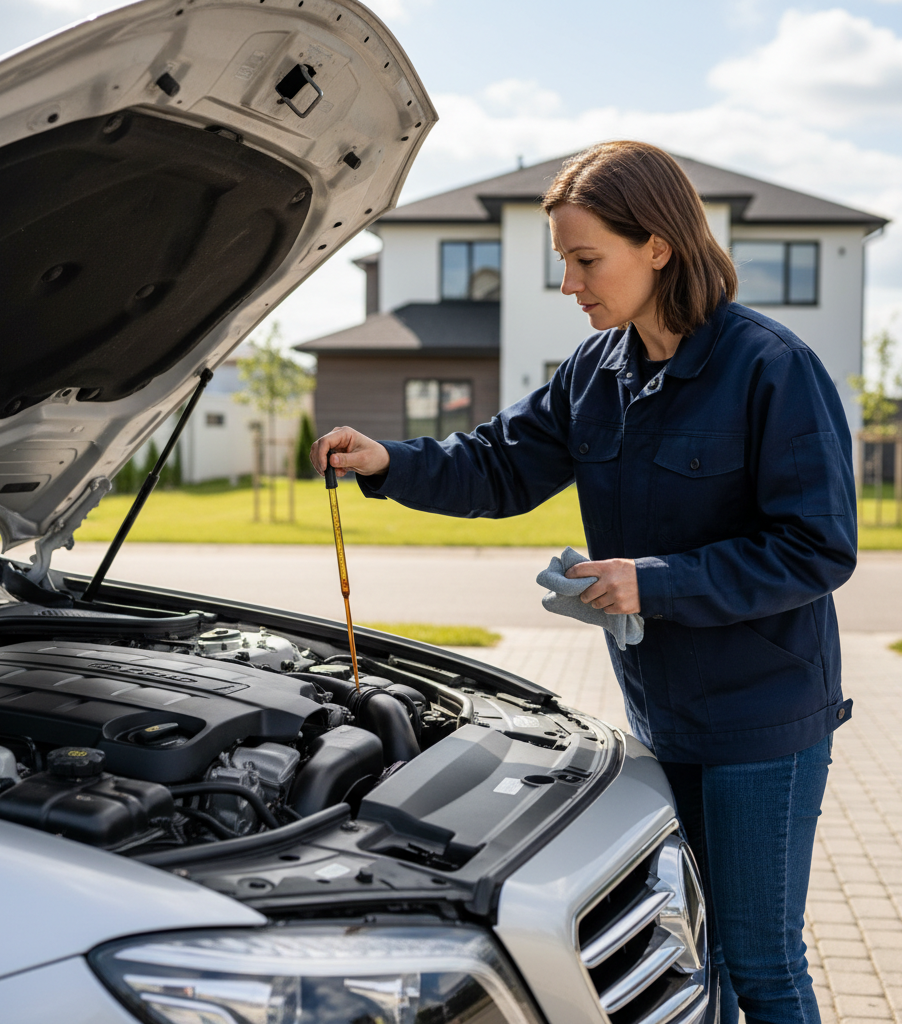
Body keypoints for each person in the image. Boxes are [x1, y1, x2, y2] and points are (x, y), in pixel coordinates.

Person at [311, 140, 857, 1024]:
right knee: (690, 946)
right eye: (564, 260)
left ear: (659, 247)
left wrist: (654, 582)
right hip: (660, 712)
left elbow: (817, 549)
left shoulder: (770, 367)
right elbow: (496, 466)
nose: (569, 284)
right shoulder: (594, 373)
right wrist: (388, 462)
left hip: (764, 722)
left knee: (760, 962)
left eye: (585, 259)